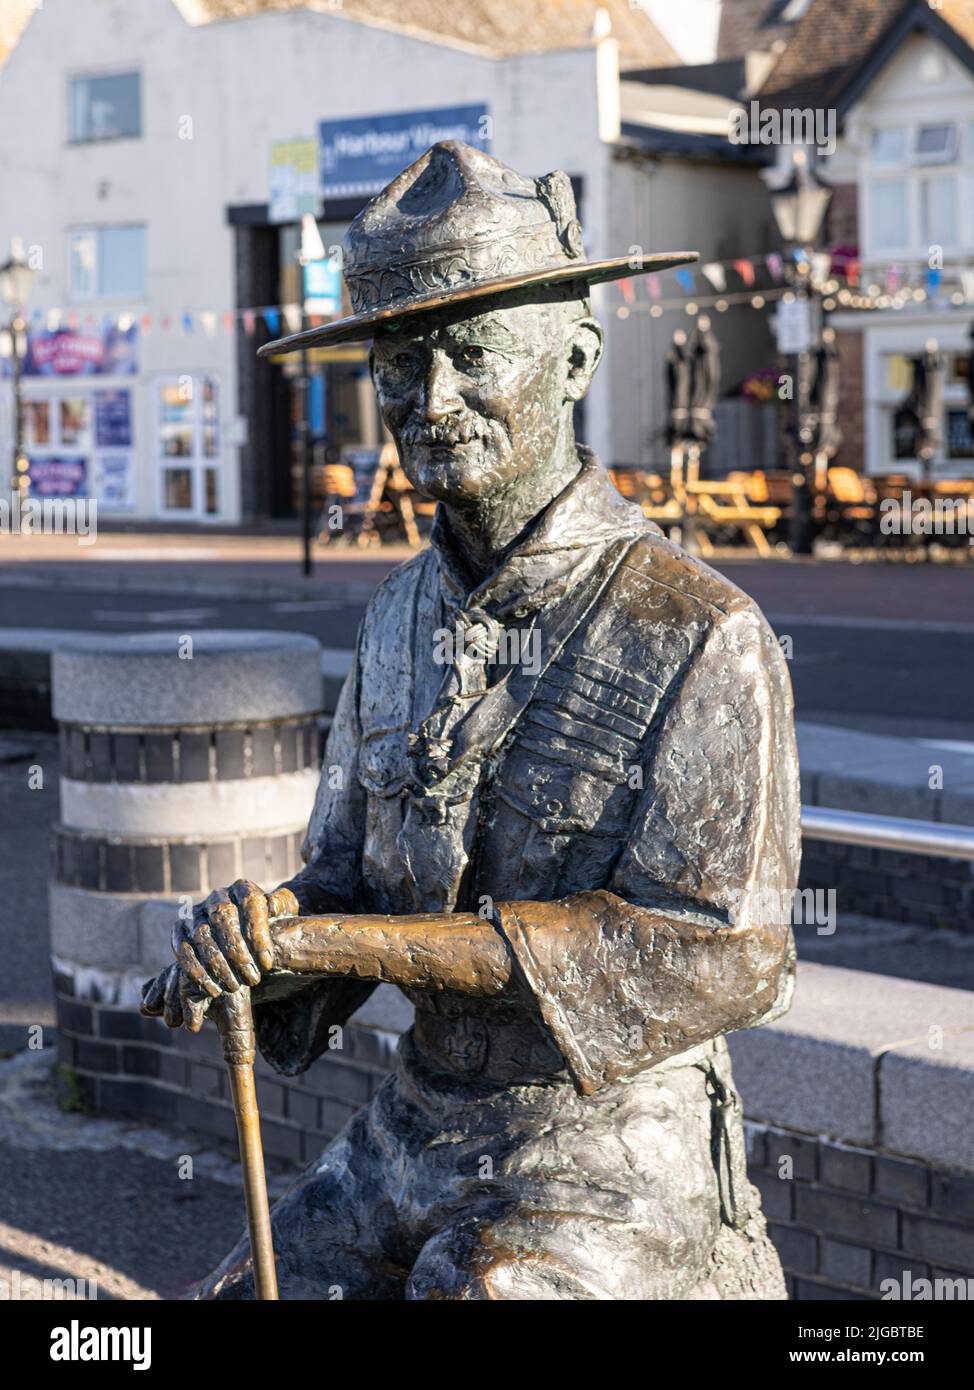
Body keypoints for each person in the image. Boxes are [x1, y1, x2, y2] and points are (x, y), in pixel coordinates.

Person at [144, 142, 800, 1301]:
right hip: (409, 1129)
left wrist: (330, 944)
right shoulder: (393, 619)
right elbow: (344, 874)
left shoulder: (700, 631)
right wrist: (258, 935)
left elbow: (721, 951)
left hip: (609, 1147)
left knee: (484, 1292)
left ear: (575, 358)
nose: (429, 400)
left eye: (472, 353)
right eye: (399, 362)